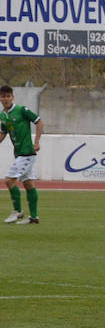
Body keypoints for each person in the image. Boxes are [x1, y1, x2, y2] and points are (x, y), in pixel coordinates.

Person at [0, 85, 43, 225]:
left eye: (8, 96)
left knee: (9, 181)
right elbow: (3, 133)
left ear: (12, 97)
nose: (5, 99)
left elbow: (39, 121)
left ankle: (17, 211)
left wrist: (36, 141)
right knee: (28, 184)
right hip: (19, 154)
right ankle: (34, 217)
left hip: (27, 153)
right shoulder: (3, 115)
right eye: (3, 96)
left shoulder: (21, 110)